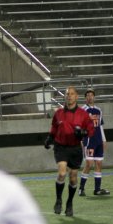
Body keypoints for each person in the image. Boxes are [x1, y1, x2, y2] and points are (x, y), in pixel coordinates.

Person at [44, 86, 94, 217]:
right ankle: (58, 200)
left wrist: (83, 132)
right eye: (67, 94)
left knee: (73, 178)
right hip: (60, 147)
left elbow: (91, 129)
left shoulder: (83, 114)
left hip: (75, 148)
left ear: (76, 97)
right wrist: (50, 138)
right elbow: (54, 127)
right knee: (61, 173)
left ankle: (69, 203)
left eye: (72, 94)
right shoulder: (59, 113)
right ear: (64, 96)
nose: (69, 96)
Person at [78, 89, 110, 196]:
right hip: (89, 141)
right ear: (85, 98)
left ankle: (97, 189)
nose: (90, 97)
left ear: (94, 97)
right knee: (88, 164)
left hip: (98, 141)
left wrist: (104, 140)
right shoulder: (82, 111)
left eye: (91, 95)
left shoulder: (98, 110)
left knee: (99, 164)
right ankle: (81, 189)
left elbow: (100, 126)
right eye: (88, 95)